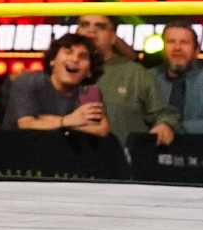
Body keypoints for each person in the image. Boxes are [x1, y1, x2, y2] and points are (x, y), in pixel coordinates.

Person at [72, 13, 177, 145]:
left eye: (100, 26)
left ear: (113, 37)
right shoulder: (61, 71)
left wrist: (164, 125)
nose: (91, 31)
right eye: (84, 25)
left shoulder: (135, 73)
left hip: (122, 155)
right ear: (76, 32)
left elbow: (164, 114)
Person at [4, 34, 109, 135]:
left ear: (89, 71)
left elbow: (101, 130)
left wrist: (52, 121)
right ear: (52, 60)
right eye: (68, 52)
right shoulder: (28, 81)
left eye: (83, 56)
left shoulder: (89, 93)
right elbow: (26, 124)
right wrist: (68, 121)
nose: (75, 59)